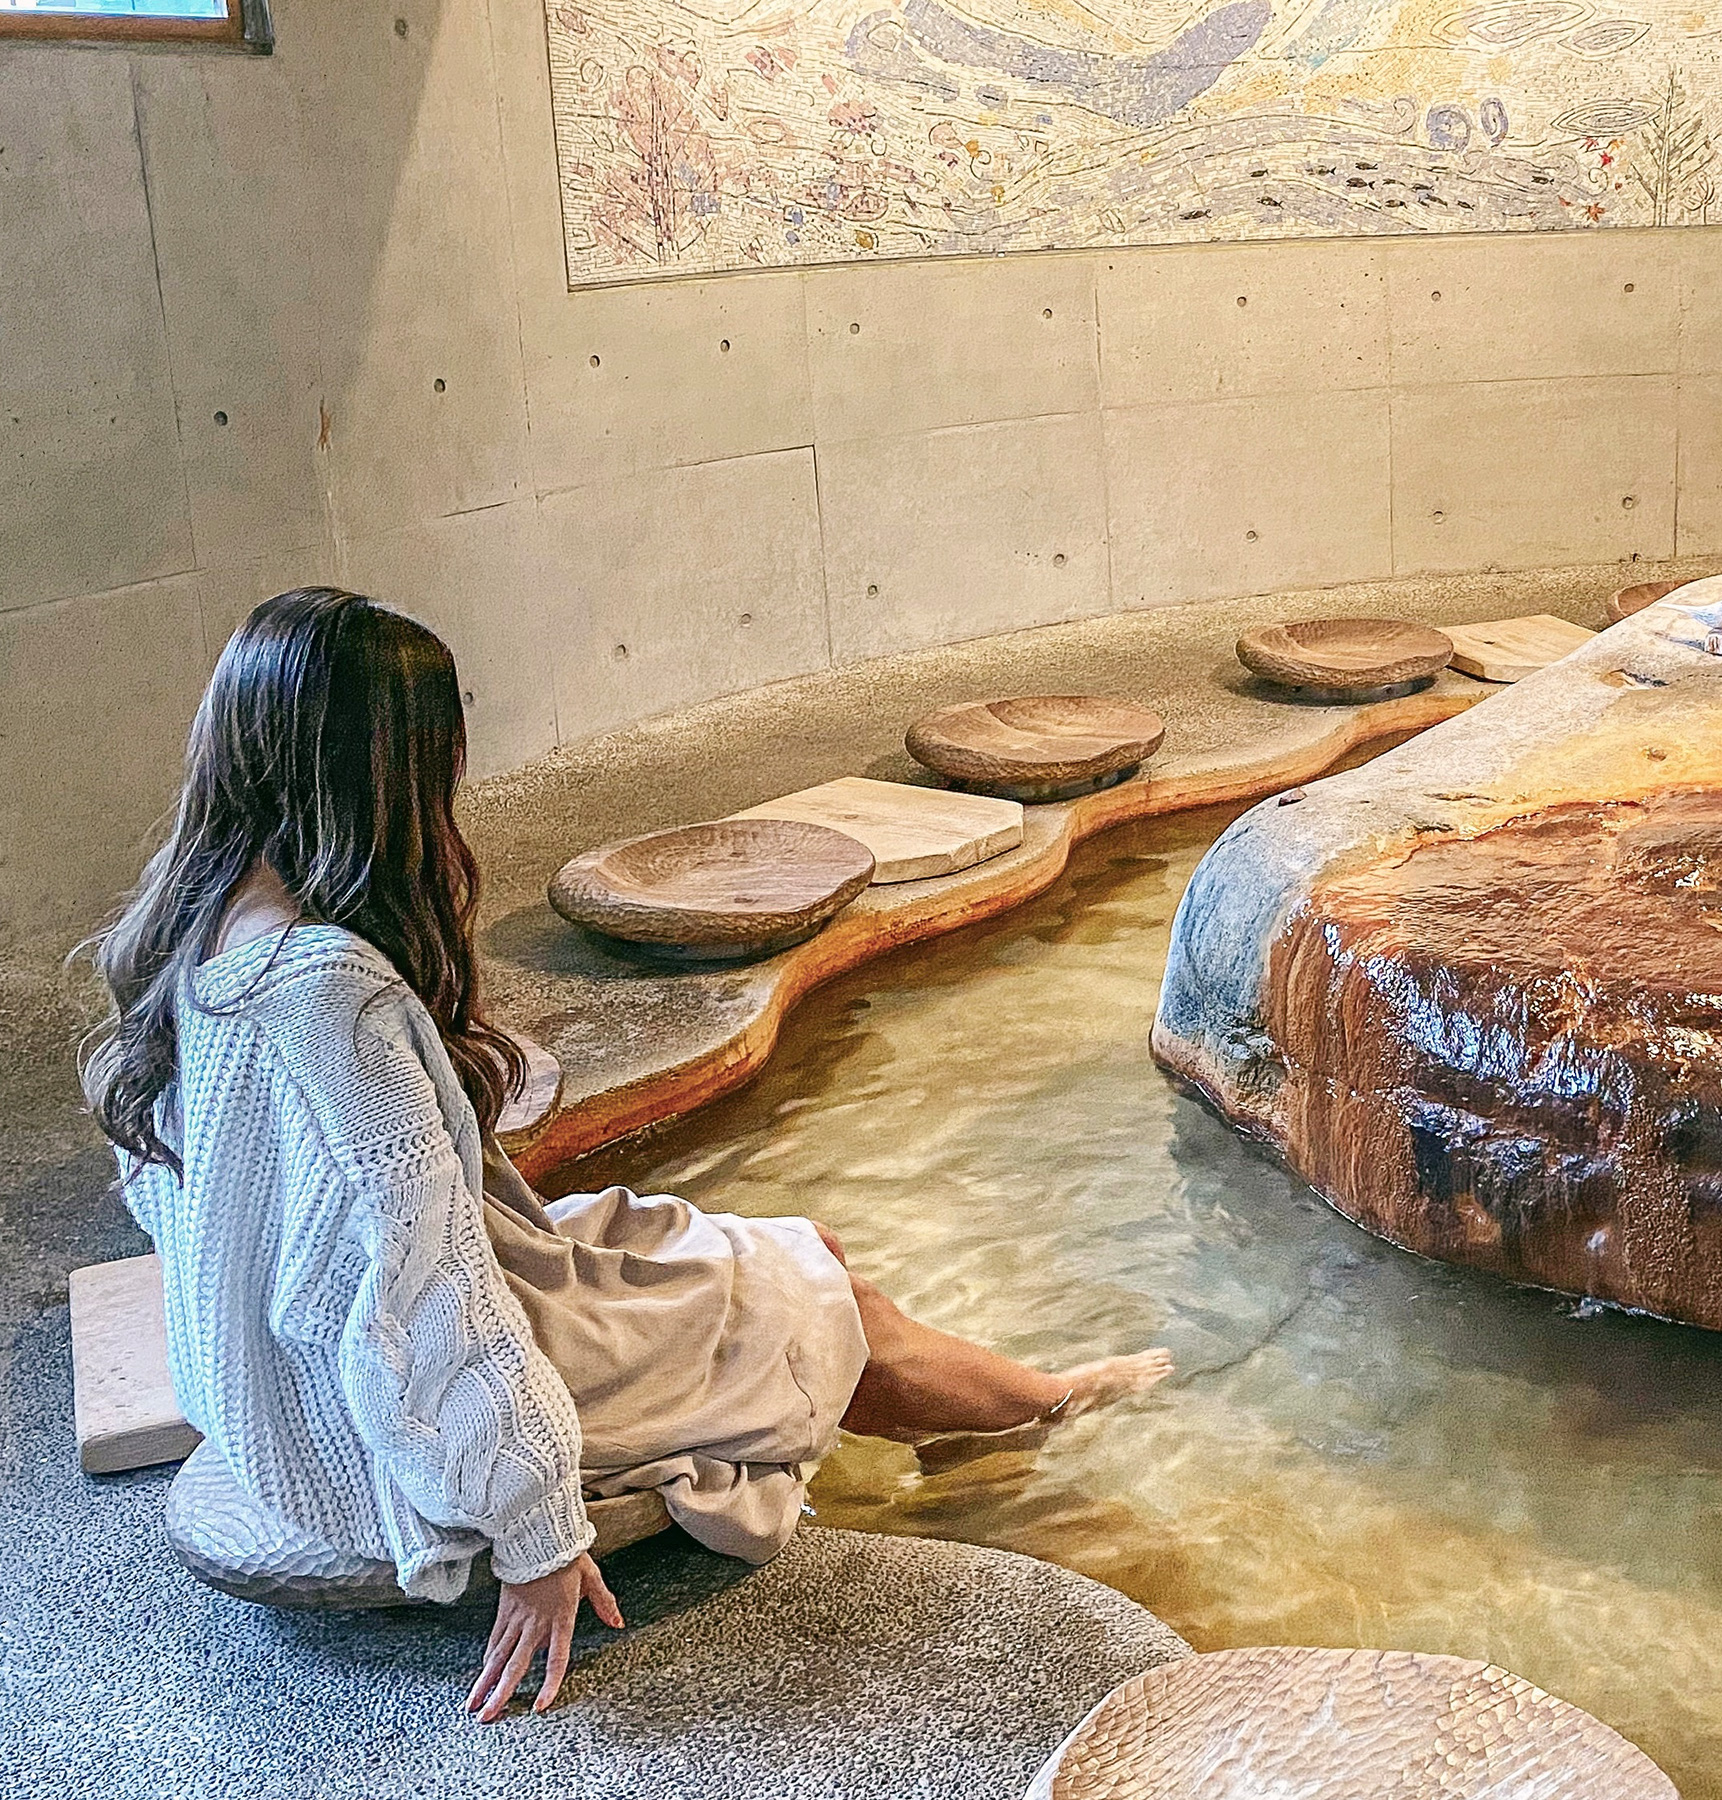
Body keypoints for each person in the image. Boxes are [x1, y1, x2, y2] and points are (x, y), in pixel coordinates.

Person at [85, 588, 1171, 1721]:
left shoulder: (197, 928)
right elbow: (428, 1299)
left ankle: (985, 1434)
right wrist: (537, 1537)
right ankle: (1049, 1407)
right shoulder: (326, 995)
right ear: (375, 768)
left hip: (299, 1381)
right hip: (377, 1427)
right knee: (821, 1291)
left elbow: (212, 1215)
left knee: (787, 1263)